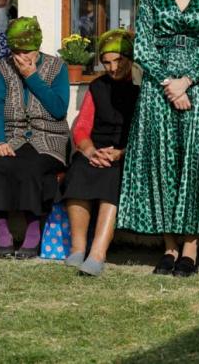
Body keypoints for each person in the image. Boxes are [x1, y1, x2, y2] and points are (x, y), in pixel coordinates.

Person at [117, 0, 199, 277]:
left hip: (196, 87)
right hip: (158, 90)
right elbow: (143, 46)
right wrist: (168, 83)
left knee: (193, 163)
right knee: (162, 163)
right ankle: (168, 247)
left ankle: (191, 250)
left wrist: (187, 82)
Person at [0, 17, 70, 259]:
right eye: (17, 51)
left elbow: (59, 108)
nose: (23, 57)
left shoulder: (56, 67)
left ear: (37, 47)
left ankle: (32, 233)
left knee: (32, 167)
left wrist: (32, 76)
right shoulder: (1, 68)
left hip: (48, 138)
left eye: (28, 51)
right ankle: (2, 232)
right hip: (11, 137)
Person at [62, 29, 139, 277]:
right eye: (107, 62)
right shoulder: (97, 87)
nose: (113, 68)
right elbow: (82, 127)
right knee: (78, 171)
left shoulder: (141, 88)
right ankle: (77, 248)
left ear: (130, 58)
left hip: (126, 152)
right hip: (97, 149)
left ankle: (97, 253)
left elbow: (144, 132)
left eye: (119, 61)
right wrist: (91, 151)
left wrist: (121, 153)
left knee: (111, 179)